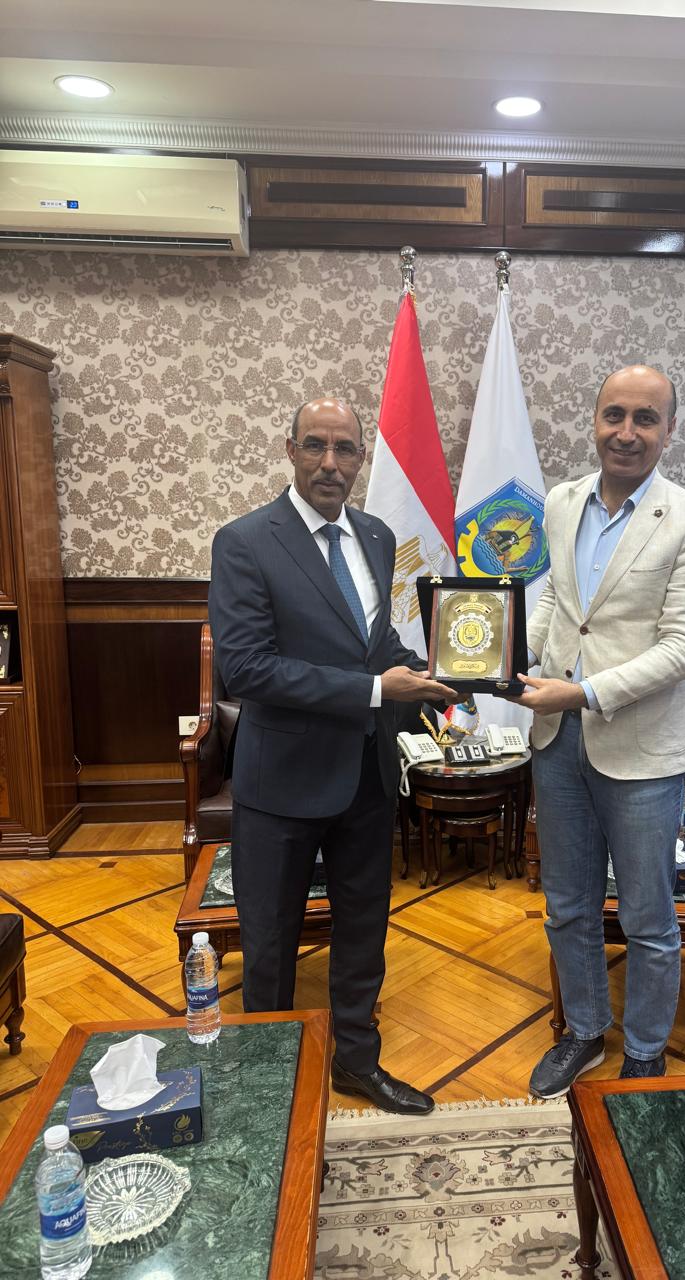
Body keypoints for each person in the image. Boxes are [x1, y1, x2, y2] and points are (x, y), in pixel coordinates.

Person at [208, 397, 457, 1115]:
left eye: (344, 449)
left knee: (364, 932)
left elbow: (374, 645)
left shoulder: (375, 535)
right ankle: (269, 1084)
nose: (329, 462)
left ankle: (356, 1061)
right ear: (289, 450)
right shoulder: (245, 541)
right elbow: (246, 669)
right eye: (314, 445)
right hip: (281, 785)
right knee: (270, 943)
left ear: (360, 459)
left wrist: (445, 675)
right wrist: (376, 690)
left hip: (366, 777)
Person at [517, 365, 685, 1097]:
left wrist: (583, 692)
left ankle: (644, 1053)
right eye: (615, 415)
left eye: (645, 418)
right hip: (556, 740)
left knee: (646, 915)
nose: (627, 432)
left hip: (641, 750)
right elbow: (558, 604)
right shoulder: (561, 501)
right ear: (594, 420)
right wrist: (510, 662)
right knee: (567, 904)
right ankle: (583, 1031)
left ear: (670, 430)